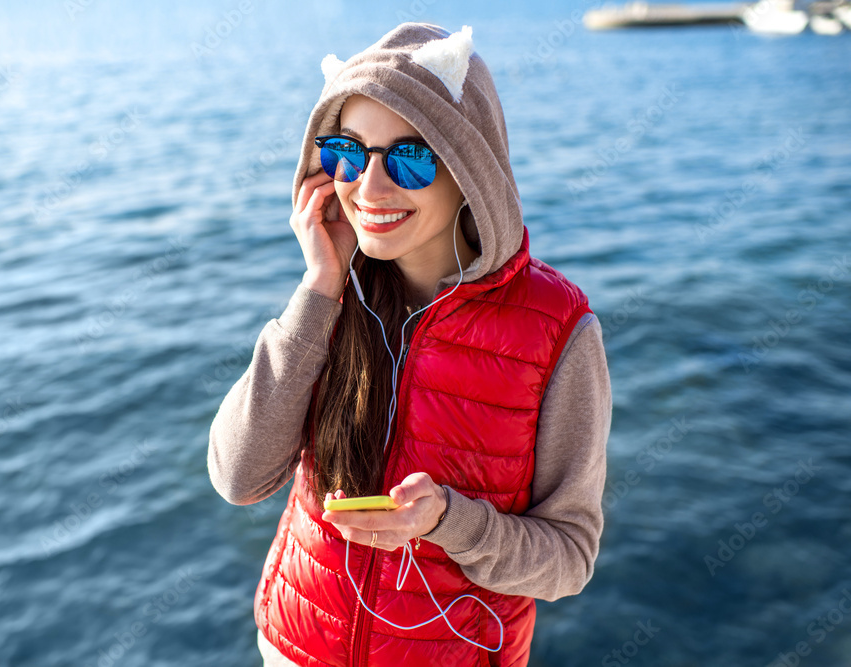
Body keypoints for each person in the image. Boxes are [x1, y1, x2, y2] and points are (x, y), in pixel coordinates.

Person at [208, 22, 612, 667]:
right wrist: (317, 288)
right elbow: (239, 477)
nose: (368, 188)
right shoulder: (331, 295)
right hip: (294, 647)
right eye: (347, 151)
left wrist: (449, 522)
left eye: (411, 158)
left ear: (469, 170)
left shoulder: (558, 330)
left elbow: (567, 560)